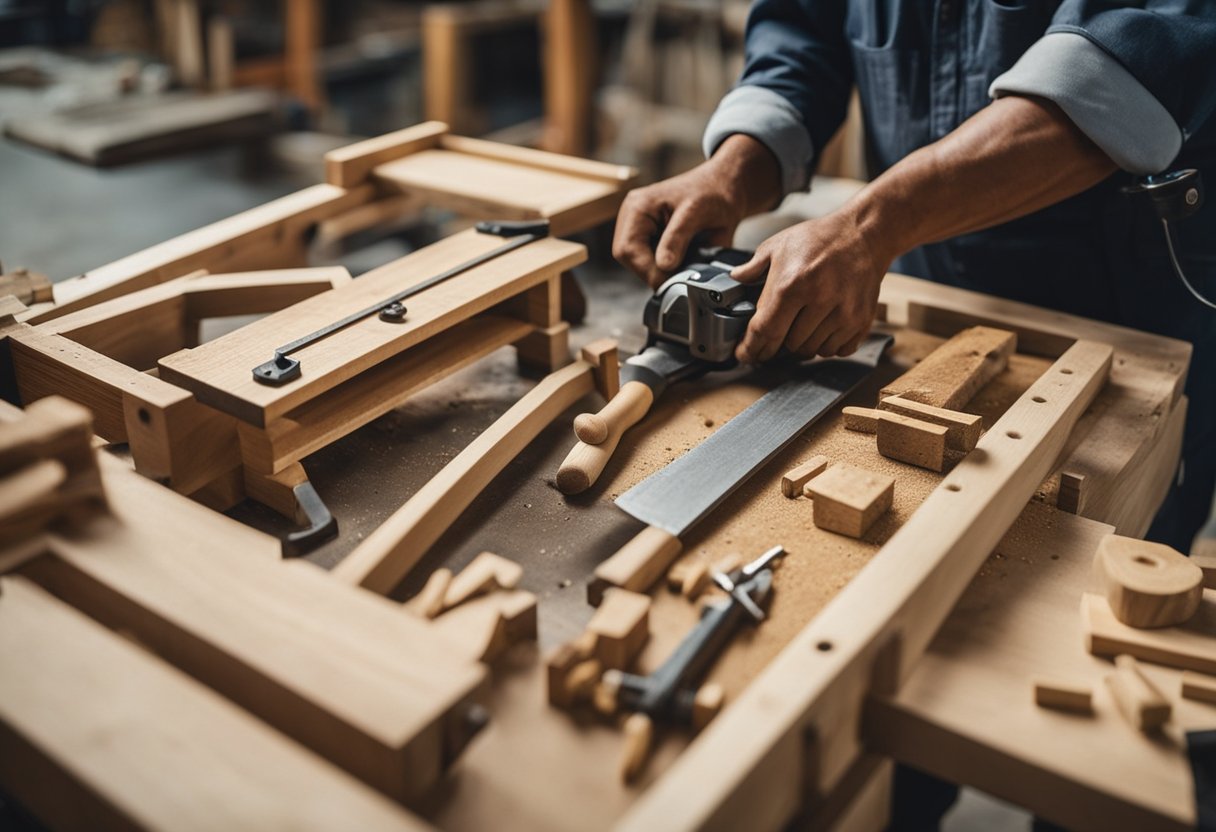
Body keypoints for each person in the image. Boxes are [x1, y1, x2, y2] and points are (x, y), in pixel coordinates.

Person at [612, 0, 1216, 557]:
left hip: (1132, 302)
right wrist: (734, 170)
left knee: (1119, 553)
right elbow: (802, 34)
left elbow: (1120, 80)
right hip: (926, 280)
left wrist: (871, 227)